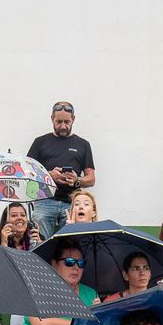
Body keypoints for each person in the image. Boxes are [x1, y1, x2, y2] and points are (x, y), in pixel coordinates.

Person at [25, 101, 96, 241]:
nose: (63, 126)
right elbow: (27, 173)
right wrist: (48, 175)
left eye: (67, 122)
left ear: (73, 119)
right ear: (52, 118)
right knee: (39, 241)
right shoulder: (40, 142)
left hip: (72, 202)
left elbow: (91, 178)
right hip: (44, 200)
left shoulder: (83, 144)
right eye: (59, 122)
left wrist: (77, 180)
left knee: (72, 243)